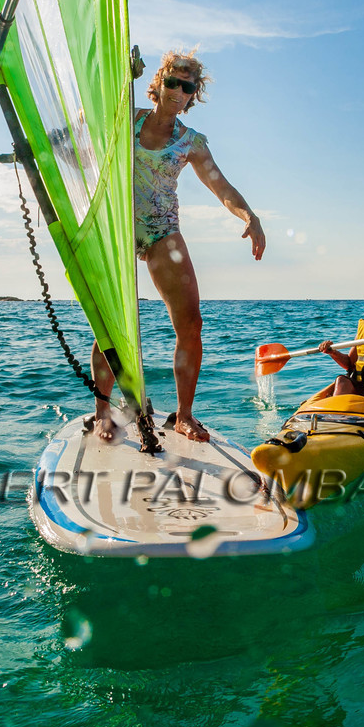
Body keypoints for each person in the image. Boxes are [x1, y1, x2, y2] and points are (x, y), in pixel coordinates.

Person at [92, 50, 265, 444]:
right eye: (172, 81)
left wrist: (249, 216)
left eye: (187, 87)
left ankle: (184, 416)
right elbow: (89, 111)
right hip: (117, 230)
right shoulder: (126, 118)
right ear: (158, 84)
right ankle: (103, 413)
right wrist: (120, 80)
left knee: (191, 324)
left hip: (161, 231)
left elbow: (222, 186)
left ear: (192, 96)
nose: (178, 91)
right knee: (111, 325)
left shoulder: (192, 143)